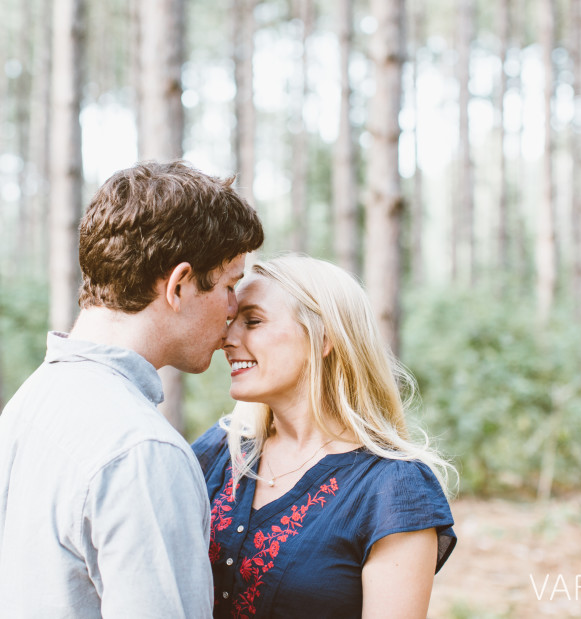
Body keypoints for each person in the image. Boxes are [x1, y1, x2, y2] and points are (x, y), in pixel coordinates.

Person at [0, 161, 264, 618]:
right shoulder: (142, 451)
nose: (232, 308)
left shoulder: (32, 400)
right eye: (228, 285)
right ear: (180, 285)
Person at [192, 255, 457, 619]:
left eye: (252, 321)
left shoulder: (394, 490)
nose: (227, 338)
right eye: (230, 321)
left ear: (324, 337)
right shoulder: (218, 450)